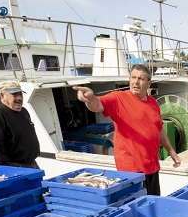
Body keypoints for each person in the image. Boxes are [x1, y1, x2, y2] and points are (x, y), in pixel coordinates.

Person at [73, 64, 180, 196]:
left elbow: (159, 129)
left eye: (140, 79)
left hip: (152, 165)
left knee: (153, 203)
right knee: (136, 207)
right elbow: (97, 105)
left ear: (149, 83)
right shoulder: (118, 98)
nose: (136, 82)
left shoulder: (153, 103)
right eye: (133, 77)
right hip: (131, 169)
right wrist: (89, 99)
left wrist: (171, 151)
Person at [0, 81, 41, 168]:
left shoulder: (24, 111)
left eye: (20, 94)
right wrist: (10, 167)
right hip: (16, 167)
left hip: (32, 164)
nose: (19, 98)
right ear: (2, 96)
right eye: (14, 94)